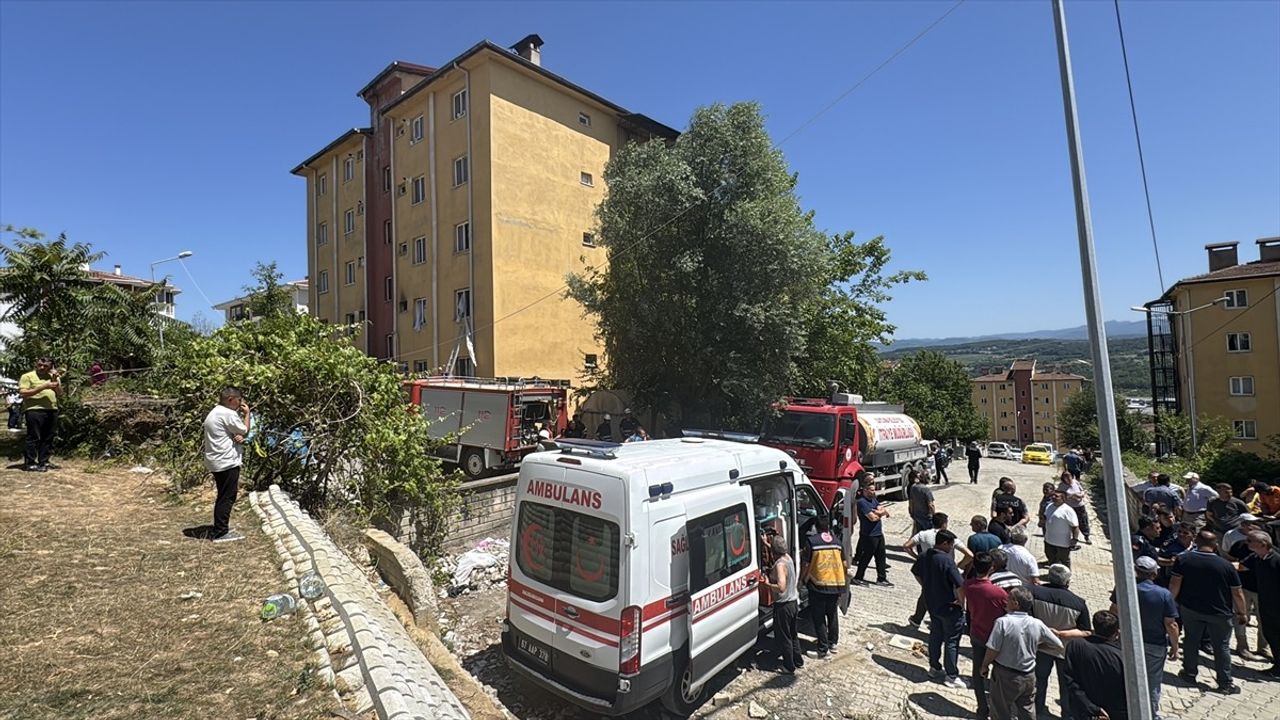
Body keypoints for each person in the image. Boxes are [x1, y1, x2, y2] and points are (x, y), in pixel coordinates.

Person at [1169, 531, 1246, 694]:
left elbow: (1175, 583)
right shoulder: (1226, 565)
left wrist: (1170, 604)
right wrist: (1242, 613)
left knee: (1191, 640)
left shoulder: (1183, 559)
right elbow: (1237, 593)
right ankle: (1225, 683)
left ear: (1196, 541)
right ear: (1215, 544)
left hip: (1191, 610)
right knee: (1221, 646)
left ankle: (1189, 673)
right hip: (1220, 613)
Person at [1111, 556, 1179, 719]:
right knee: (1152, 683)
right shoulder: (1164, 594)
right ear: (1154, 574)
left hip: (1126, 641)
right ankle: (1149, 715)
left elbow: (1114, 611)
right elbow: (1171, 625)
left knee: (1124, 675)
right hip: (1154, 645)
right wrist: (1175, 647)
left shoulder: (1123, 587)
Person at [980, 586, 1063, 720]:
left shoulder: (1003, 622)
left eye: (1009, 598)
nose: (1006, 600)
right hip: (1029, 675)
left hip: (1005, 675)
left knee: (1000, 711)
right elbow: (1058, 645)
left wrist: (985, 665)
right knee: (1027, 711)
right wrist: (1037, 647)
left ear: (1016, 603)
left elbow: (993, 649)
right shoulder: (1037, 623)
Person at [1029, 564, 1090, 717]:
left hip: (1040, 646)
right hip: (1065, 650)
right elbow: (1086, 631)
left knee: (1039, 680)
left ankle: (1037, 710)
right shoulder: (1078, 603)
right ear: (1068, 581)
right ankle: (1067, 714)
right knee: (1067, 684)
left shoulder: (1033, 592)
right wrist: (1061, 633)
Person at [912, 529, 967, 689]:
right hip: (949, 607)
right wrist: (962, 604)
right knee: (951, 641)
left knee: (935, 636)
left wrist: (925, 587)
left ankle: (934, 667)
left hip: (932, 604)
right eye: (951, 545)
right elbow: (960, 585)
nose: (951, 548)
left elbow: (915, 572)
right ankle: (951, 676)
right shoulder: (947, 561)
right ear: (944, 543)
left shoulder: (924, 556)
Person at [201, 387, 252, 543]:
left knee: (223, 494)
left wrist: (235, 436)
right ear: (231, 399)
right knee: (227, 497)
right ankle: (221, 532)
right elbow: (244, 430)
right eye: (239, 400)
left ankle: (221, 526)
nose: (240, 403)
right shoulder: (228, 414)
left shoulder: (216, 412)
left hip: (215, 460)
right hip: (226, 461)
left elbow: (232, 432)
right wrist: (247, 414)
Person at [906, 513, 973, 627]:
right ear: (944, 524)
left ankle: (917, 619)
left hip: (928, 568)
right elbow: (970, 555)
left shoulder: (923, 534)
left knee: (926, 594)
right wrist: (959, 565)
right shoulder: (950, 537)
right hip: (946, 569)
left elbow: (906, 546)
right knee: (949, 596)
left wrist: (918, 558)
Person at [963, 552, 1009, 720]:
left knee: (978, 672)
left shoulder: (968, 585)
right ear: (992, 568)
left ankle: (982, 708)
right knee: (998, 673)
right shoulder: (999, 593)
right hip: (997, 639)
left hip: (977, 634)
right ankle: (997, 709)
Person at [1060, 611, 1129, 720]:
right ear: (1117, 633)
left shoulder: (1075, 645)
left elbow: (1070, 680)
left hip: (1082, 709)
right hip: (1110, 713)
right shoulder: (1122, 657)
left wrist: (1091, 707)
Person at [802, 516, 847, 658]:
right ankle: (833, 643)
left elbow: (806, 564)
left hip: (818, 584)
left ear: (815, 527)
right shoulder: (837, 542)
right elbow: (845, 564)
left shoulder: (812, 542)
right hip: (836, 583)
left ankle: (822, 649)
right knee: (832, 614)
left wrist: (803, 578)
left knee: (819, 616)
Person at [1224, 517, 1267, 661]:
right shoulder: (1239, 545)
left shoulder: (1268, 548)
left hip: (1262, 589)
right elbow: (1229, 559)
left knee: (1263, 619)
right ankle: (1242, 646)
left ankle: (1263, 647)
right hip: (1243, 587)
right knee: (1241, 616)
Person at [1241, 531, 1280, 677]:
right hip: (1265, 603)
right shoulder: (1256, 557)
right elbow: (1241, 566)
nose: (1247, 542)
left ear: (1263, 544)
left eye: (1250, 540)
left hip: (1277, 606)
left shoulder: (1277, 560)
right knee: (1270, 634)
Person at [764, 534, 803, 674]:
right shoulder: (788, 558)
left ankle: (788, 666)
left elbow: (781, 587)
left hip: (783, 605)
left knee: (784, 637)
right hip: (793, 602)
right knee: (793, 634)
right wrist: (767, 544)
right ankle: (798, 661)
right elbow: (778, 553)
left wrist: (767, 585)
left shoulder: (780, 565)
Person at [18, 357, 63, 472]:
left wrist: (55, 379)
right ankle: (30, 462)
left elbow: (60, 393)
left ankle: (44, 461)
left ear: (51, 367)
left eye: (45, 366)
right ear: (36, 364)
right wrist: (43, 387)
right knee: (34, 436)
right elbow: (23, 393)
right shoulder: (27, 376)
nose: (42, 368)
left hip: (51, 409)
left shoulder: (54, 377)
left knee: (48, 436)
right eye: (40, 365)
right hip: (34, 410)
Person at [853, 483, 892, 587]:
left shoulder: (873, 499)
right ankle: (858, 577)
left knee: (881, 556)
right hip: (869, 535)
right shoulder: (862, 502)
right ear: (865, 490)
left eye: (874, 490)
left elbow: (884, 509)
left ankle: (881, 578)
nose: (874, 492)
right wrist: (881, 514)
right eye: (871, 490)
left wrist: (877, 512)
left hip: (879, 533)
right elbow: (873, 518)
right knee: (866, 557)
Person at [1043, 490, 1080, 567]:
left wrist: (1075, 539)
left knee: (1064, 561)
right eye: (1053, 495)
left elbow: (1075, 526)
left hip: (1062, 543)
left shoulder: (1068, 510)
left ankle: (1066, 577)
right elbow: (1046, 518)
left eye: (1056, 496)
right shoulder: (1049, 506)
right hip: (1049, 540)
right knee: (1051, 559)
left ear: (1063, 498)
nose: (1053, 497)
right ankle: (1054, 576)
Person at [1057, 470, 1091, 543]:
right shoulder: (1061, 486)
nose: (1067, 477)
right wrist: (1071, 496)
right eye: (1065, 476)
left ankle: (1086, 536)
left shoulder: (1076, 482)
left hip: (1079, 506)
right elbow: (1059, 495)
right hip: (1069, 507)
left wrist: (1080, 494)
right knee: (1070, 522)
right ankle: (1072, 537)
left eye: (1069, 475)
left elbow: (1082, 491)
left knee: (1083, 521)